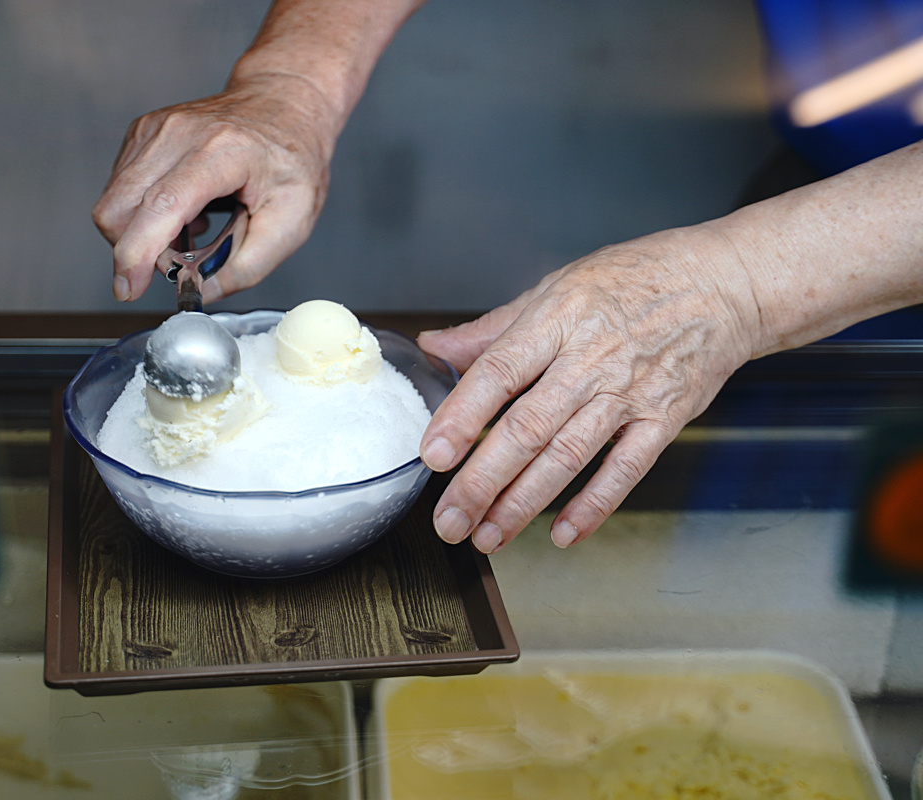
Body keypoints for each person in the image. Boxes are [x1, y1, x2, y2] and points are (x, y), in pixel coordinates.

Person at [92, 0, 923, 556]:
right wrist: (293, 81)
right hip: (819, 184)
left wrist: (742, 283)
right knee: (760, 556)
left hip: (836, 257)